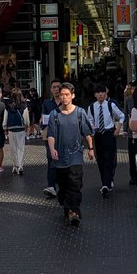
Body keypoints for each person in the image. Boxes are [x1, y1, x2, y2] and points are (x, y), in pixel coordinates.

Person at [46, 82, 94, 226]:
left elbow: (87, 132)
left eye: (67, 95)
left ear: (73, 96)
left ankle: (74, 211)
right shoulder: (55, 114)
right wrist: (52, 149)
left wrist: (91, 148)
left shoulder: (80, 113)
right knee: (63, 185)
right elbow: (51, 135)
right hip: (60, 157)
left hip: (76, 155)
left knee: (75, 184)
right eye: (62, 95)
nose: (64, 97)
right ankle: (67, 207)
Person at [88, 83, 124, 197]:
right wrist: (93, 129)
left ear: (106, 93)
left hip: (109, 133)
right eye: (98, 93)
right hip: (99, 135)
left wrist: (118, 128)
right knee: (101, 160)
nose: (101, 95)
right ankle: (106, 181)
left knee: (109, 159)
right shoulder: (91, 107)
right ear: (95, 95)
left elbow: (122, 116)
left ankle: (106, 184)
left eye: (103, 92)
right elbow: (89, 120)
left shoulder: (110, 105)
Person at [40, 79, 62, 197]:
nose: (56, 89)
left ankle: (60, 182)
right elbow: (44, 117)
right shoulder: (47, 103)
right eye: (54, 87)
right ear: (51, 89)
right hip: (50, 135)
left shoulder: (66, 103)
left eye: (58, 86)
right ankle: (51, 186)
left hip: (64, 135)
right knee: (51, 159)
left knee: (62, 159)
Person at [4, 89, 30, 176]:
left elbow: (5, 119)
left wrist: (5, 128)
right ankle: (20, 166)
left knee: (13, 149)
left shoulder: (8, 106)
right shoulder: (24, 106)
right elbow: (26, 120)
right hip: (21, 129)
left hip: (11, 129)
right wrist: (27, 126)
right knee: (20, 148)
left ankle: (15, 165)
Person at [123, 82, 137, 186]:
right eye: (132, 89)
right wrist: (125, 130)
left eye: (135, 89)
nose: (134, 91)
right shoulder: (128, 100)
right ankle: (133, 177)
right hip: (131, 133)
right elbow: (125, 115)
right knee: (131, 157)